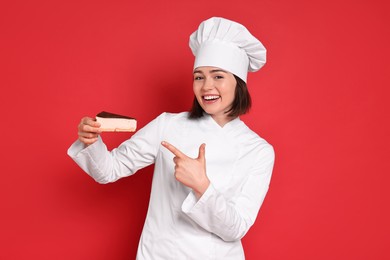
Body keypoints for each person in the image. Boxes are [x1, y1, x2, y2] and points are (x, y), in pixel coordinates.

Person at [68, 17, 275, 259]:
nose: (207, 86)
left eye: (218, 76)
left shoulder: (259, 150)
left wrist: (202, 186)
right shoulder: (168, 124)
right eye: (199, 77)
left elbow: (236, 228)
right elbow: (108, 171)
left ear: (238, 83)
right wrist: (91, 140)